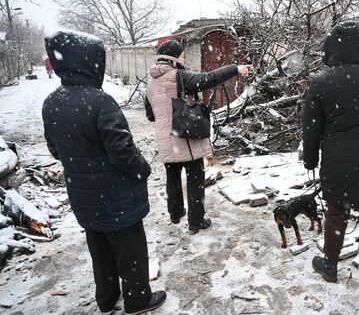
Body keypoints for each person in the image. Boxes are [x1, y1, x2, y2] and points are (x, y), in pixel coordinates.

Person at [42, 30, 166, 314]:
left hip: (84, 196)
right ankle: (137, 300)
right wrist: (142, 169)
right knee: (131, 250)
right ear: (88, 62)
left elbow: (55, 150)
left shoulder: (52, 102)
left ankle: (107, 299)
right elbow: (122, 151)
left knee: (100, 249)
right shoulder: (100, 101)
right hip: (117, 195)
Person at [302, 22, 359, 285]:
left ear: (330, 49)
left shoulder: (321, 82)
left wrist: (311, 159)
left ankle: (330, 265)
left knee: (336, 211)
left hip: (338, 158)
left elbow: (311, 129)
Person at [145, 40, 249, 233]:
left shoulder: (151, 83)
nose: (184, 59)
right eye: (182, 55)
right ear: (174, 58)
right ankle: (196, 222)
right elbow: (208, 79)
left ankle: (175, 214)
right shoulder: (179, 76)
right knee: (195, 179)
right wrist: (235, 68)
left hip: (166, 140)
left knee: (173, 177)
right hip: (186, 138)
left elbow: (150, 115)